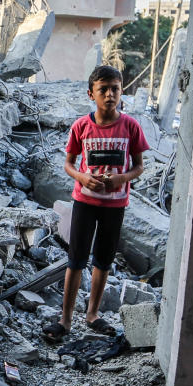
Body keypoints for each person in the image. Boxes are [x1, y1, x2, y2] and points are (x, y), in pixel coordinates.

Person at [43, 65, 148, 341]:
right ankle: (65, 320)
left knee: (103, 261)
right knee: (76, 260)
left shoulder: (130, 127)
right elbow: (68, 163)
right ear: (91, 94)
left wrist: (122, 178)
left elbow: (139, 166)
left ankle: (92, 314)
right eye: (104, 90)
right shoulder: (82, 126)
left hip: (115, 205)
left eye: (115, 88)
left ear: (121, 91)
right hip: (85, 203)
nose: (110, 94)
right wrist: (82, 178)